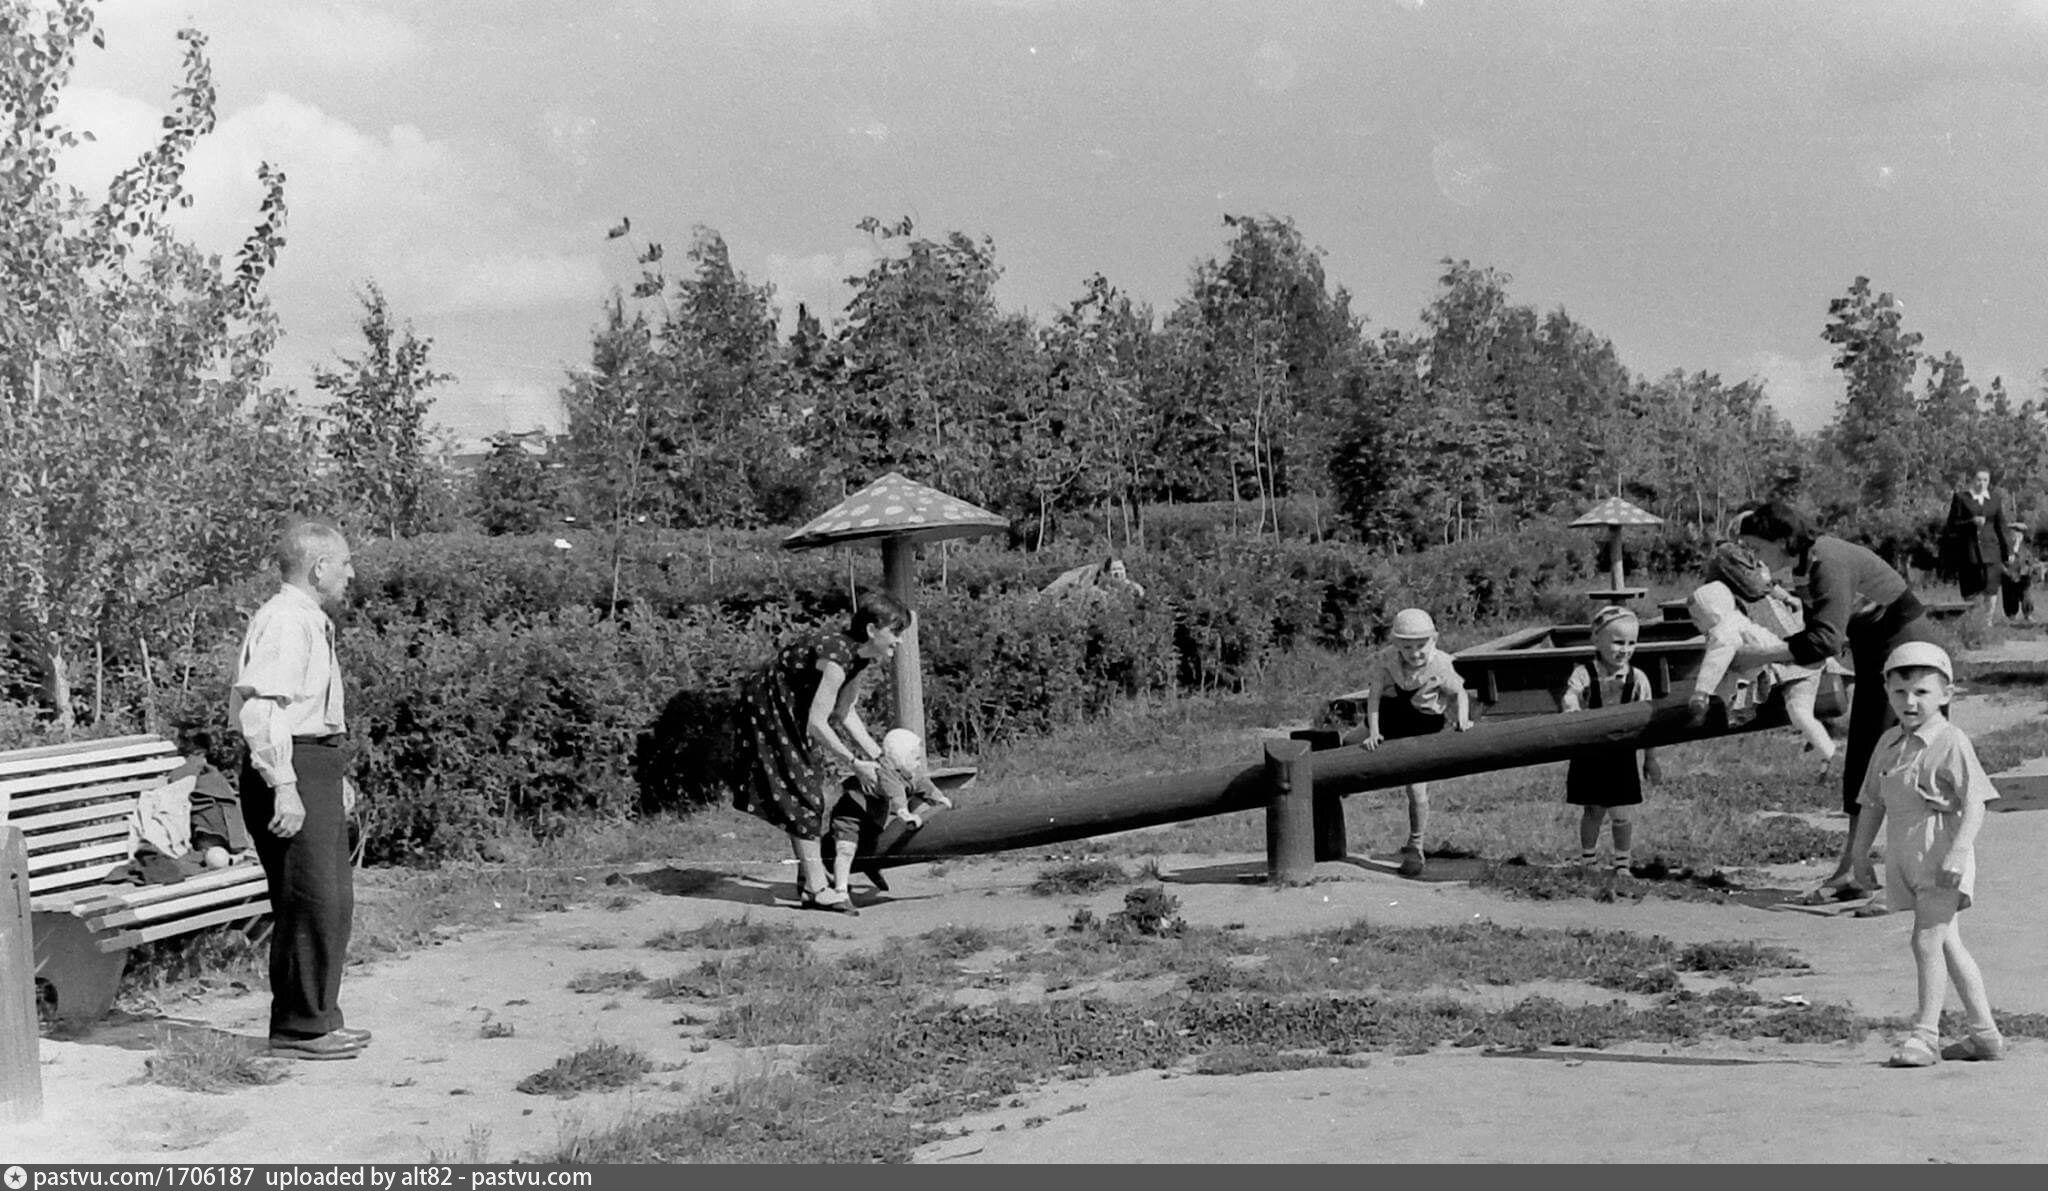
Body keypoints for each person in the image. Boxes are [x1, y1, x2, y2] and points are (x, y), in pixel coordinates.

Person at [1731, 500, 1939, 908]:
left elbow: (1824, 641)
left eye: (1756, 546)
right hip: (1879, 654)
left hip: (1910, 655)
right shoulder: (1805, 565)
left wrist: (1760, 656)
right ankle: (1853, 871)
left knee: (1903, 769)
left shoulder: (1827, 561)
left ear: (1782, 540)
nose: (1753, 556)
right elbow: (1820, 634)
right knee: (1864, 764)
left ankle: (1911, 882)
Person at [230, 517, 367, 1060]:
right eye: (346, 563)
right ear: (319, 567)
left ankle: (318, 1017)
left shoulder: (308, 619)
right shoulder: (286, 620)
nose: (351, 574)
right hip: (288, 769)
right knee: (308, 899)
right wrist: (285, 784)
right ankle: (297, 1028)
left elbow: (309, 712)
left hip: (313, 763)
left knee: (331, 901)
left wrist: (333, 776)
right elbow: (263, 710)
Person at [1845, 642, 2005, 1067]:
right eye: (1900, 692)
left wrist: (1958, 852)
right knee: (1948, 943)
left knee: (1926, 939)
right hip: (1905, 852)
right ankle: (1985, 1035)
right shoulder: (1889, 742)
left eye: (1921, 692)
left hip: (1941, 852)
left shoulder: (1951, 741)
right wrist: (1859, 854)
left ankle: (1925, 1035)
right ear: (1886, 691)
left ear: (1946, 694)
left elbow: (1975, 802)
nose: (1910, 702)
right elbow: (1872, 802)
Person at [731, 588, 910, 914]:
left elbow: (844, 713)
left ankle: (809, 877)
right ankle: (816, 889)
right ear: (872, 629)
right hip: (770, 707)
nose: (899, 641)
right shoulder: (838, 658)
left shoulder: (859, 658)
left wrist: (879, 758)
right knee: (804, 792)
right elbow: (817, 723)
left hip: (793, 707)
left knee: (804, 788)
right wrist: (854, 762)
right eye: (895, 632)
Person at [1685, 540, 1837, 768]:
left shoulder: (1726, 628)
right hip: (1794, 658)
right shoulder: (1739, 609)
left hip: (1789, 664)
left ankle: (1827, 751)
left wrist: (1701, 692)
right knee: (1799, 710)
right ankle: (1825, 749)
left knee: (1798, 709)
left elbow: (1717, 658)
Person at [1352, 607, 1472, 878]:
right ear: (1396, 644)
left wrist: (1462, 719)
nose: (1415, 653)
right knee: (1349, 743)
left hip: (1422, 723)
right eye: (1407, 647)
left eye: (1421, 646)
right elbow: (1373, 696)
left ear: (1433, 640)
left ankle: (1416, 845)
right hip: (1392, 714)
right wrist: (1374, 732)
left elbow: (1459, 693)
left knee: (1416, 788)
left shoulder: (1441, 664)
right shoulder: (1386, 660)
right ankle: (1337, 787)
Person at [1561, 606, 1663, 873]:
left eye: (1631, 643)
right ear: (1596, 640)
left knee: (1621, 812)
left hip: (1622, 754)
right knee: (1593, 810)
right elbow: (1570, 695)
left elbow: (1648, 722)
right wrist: (1572, 707)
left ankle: (1622, 864)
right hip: (1590, 753)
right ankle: (1588, 861)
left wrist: (1650, 759)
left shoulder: (1637, 679)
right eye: (1618, 642)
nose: (1625, 650)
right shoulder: (1584, 673)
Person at [826, 727, 954, 905]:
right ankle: (840, 891)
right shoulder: (887, 773)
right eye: (916, 758)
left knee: (871, 843)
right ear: (900, 759)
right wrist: (904, 813)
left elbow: (924, 785)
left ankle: (869, 865)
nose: (919, 763)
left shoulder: (910, 773)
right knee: (846, 849)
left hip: (873, 815)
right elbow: (896, 795)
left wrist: (939, 797)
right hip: (852, 812)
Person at [1943, 467, 2010, 627]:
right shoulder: (1961, 498)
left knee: (1991, 587)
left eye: (1985, 480)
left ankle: (1987, 623)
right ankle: (1973, 624)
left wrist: (2007, 551)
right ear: (1972, 480)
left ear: (1989, 482)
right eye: (1979, 479)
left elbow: (2001, 526)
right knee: (1971, 588)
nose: (1982, 483)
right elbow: (1952, 526)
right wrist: (1971, 523)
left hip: (1991, 551)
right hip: (1969, 551)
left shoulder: (1995, 499)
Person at [1999, 523, 2034, 624]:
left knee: (2027, 595)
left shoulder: (2026, 545)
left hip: (2023, 575)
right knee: (2009, 597)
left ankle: (2028, 614)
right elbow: (2000, 561)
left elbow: (2030, 561)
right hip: (2009, 575)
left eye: (2019, 532)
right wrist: (2009, 573)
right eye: (2014, 532)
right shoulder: (2004, 545)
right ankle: (2011, 616)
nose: (2017, 534)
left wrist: (2026, 571)